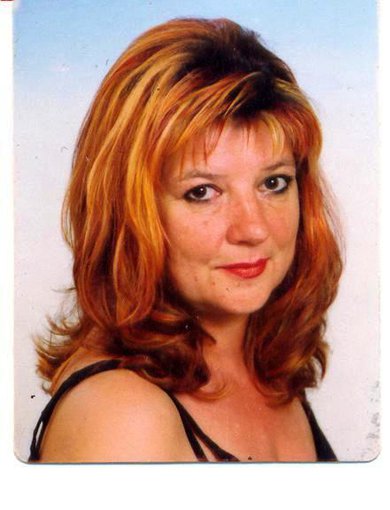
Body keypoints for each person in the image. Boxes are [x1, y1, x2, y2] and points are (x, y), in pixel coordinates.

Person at [29, 17, 342, 463]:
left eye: (273, 183)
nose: (253, 229)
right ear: (129, 213)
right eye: (202, 192)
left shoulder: (266, 370)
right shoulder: (121, 416)